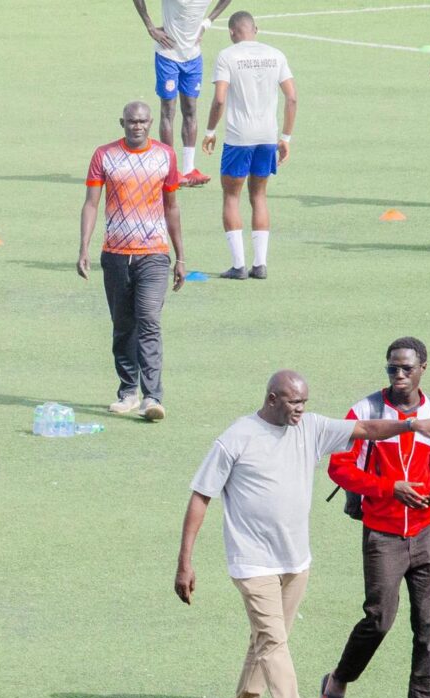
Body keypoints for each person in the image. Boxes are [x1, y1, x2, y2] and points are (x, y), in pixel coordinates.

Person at [175, 370, 430, 698]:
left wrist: (409, 425)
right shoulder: (237, 437)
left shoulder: (310, 427)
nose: (300, 409)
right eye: (294, 402)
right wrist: (184, 562)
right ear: (272, 399)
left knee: (268, 640)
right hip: (252, 562)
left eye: (304, 402)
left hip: (295, 560)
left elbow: (366, 429)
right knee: (273, 642)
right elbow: (201, 496)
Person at [320, 339, 430, 698]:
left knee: (428, 626)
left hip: (427, 533)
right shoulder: (365, 412)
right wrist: (388, 489)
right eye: (392, 368)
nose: (398, 375)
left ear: (423, 369)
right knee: (379, 619)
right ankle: (338, 680)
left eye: (406, 369)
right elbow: (339, 468)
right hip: (383, 534)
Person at [77, 102, 186, 421]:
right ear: (122, 122)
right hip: (115, 255)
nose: (137, 126)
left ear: (150, 123)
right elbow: (91, 204)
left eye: (142, 121)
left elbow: (172, 207)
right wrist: (84, 247)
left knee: (149, 320)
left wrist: (180, 256)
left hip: (154, 254)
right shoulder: (104, 156)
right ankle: (128, 392)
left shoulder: (165, 156)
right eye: (131, 121)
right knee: (123, 325)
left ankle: (152, 397)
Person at [202, 12, 295, 279]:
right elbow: (292, 98)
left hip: (238, 138)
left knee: (232, 197)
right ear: (256, 28)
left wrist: (210, 131)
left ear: (232, 32)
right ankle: (260, 264)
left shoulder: (227, 56)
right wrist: (285, 137)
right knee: (259, 196)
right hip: (267, 137)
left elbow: (220, 99)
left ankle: (238, 265)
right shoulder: (276, 55)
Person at [131, 0, 234, 186]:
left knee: (190, 109)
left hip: (193, 57)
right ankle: (170, 171)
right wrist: (150, 27)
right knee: (168, 110)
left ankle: (188, 169)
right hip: (168, 56)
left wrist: (207, 23)